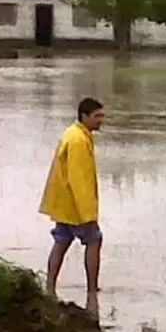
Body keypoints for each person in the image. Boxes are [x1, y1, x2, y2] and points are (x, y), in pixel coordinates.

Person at [39, 97, 104, 316]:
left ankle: (50, 287)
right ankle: (92, 291)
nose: (100, 120)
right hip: (75, 207)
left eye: (101, 116)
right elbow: (79, 179)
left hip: (64, 205)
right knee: (94, 240)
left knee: (61, 242)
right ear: (84, 116)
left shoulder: (74, 134)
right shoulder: (78, 140)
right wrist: (88, 213)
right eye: (97, 116)